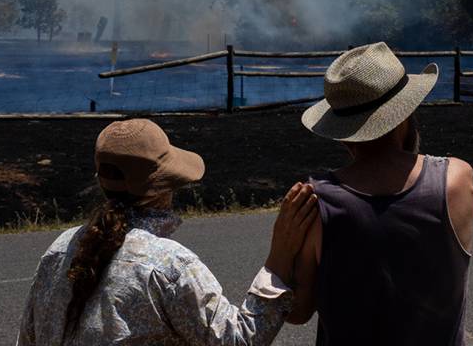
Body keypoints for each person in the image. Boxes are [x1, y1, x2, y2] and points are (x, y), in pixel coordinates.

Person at [17, 118, 318, 345]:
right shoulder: (168, 265)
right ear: (164, 187)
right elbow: (237, 339)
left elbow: (27, 338)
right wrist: (279, 257)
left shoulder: (60, 248)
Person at [287, 42, 473, 346]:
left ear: (343, 135)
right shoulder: (456, 179)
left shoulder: (316, 201)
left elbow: (297, 312)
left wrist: (280, 253)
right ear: (404, 113)